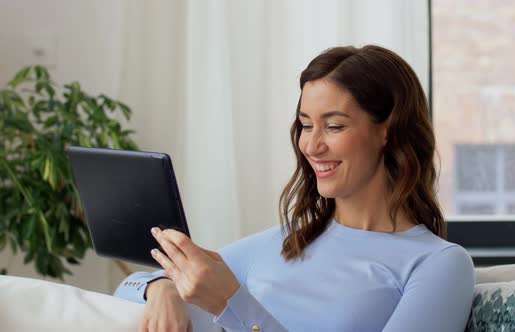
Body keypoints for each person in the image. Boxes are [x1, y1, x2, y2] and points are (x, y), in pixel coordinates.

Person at [114, 45, 475, 332]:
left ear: (388, 130)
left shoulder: (438, 264)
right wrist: (160, 289)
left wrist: (231, 304)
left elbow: (231, 306)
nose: (312, 146)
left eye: (334, 127)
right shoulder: (285, 244)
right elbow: (126, 291)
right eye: (305, 125)